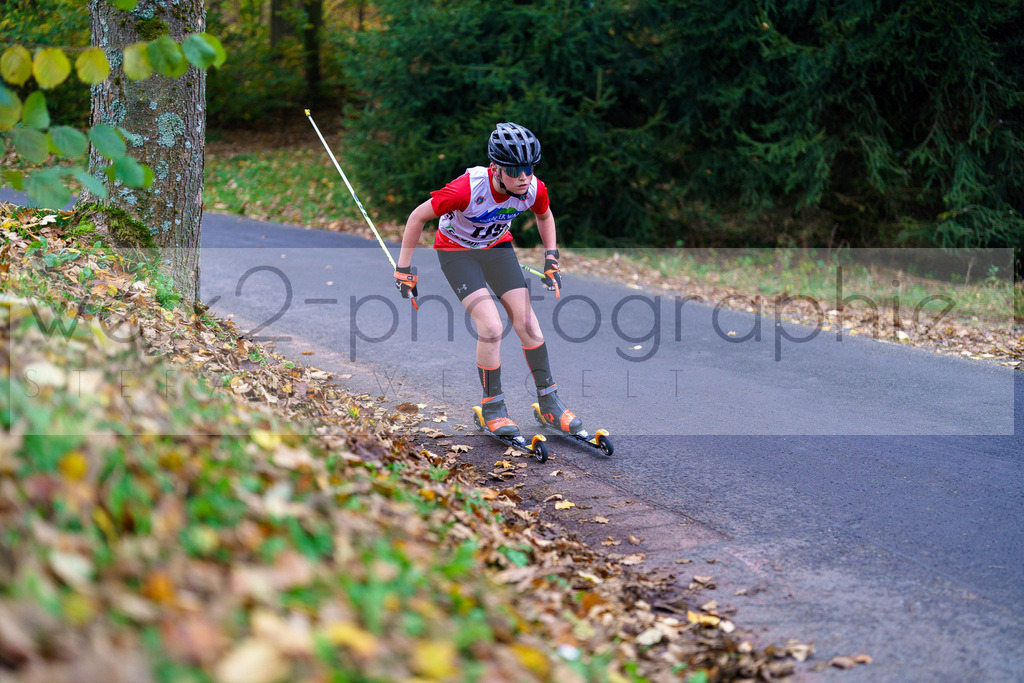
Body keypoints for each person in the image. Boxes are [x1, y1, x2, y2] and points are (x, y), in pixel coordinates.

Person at [394, 121, 584, 439]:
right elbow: (417, 216)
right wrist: (403, 268)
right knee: (492, 327)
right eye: (515, 170)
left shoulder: (533, 189)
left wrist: (552, 257)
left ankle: (550, 403)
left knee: (528, 324)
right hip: (457, 252)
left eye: (529, 168)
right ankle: (493, 407)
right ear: (495, 168)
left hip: (496, 249)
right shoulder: (466, 189)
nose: (524, 177)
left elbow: (545, 215)